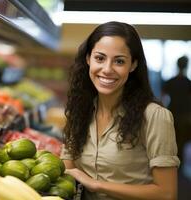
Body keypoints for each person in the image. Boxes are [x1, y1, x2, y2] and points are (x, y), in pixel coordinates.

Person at [61, 21, 180, 200]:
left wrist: (96, 184)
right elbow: (68, 169)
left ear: (133, 65)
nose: (107, 69)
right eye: (100, 58)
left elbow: (166, 193)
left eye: (119, 61)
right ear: (88, 59)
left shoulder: (154, 117)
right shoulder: (79, 110)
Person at [162, 55, 191, 163]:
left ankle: (172, 164)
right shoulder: (188, 83)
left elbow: (162, 98)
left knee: (171, 141)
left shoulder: (170, 81)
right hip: (184, 116)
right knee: (182, 142)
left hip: (172, 114)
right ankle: (180, 166)